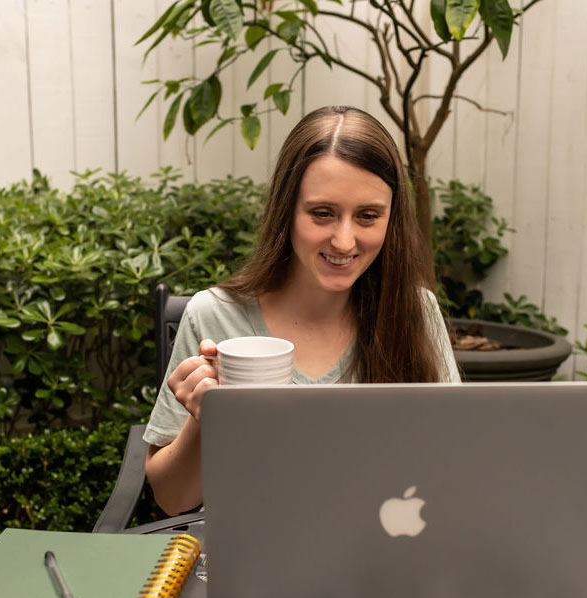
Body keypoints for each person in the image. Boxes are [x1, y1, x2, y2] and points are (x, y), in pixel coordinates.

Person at [143, 105, 461, 515]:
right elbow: (171, 500)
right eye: (322, 213)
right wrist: (208, 419)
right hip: (256, 563)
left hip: (386, 562)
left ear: (391, 219)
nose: (344, 241)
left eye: (367, 216)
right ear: (286, 211)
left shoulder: (415, 311)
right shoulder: (213, 317)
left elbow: (455, 464)